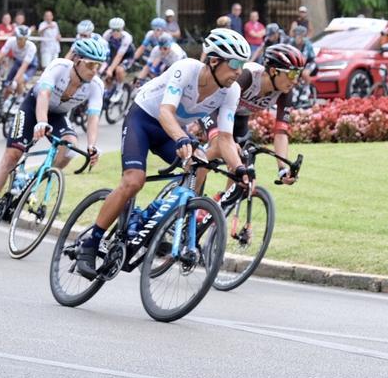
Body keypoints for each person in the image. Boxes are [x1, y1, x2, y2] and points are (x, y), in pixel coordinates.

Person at [73, 28, 254, 279]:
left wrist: (240, 170)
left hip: (172, 129)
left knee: (200, 163)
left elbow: (225, 138)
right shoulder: (187, 69)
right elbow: (165, 112)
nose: (239, 71)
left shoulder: (231, 91)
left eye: (242, 65)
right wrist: (181, 137)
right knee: (133, 180)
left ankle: (164, 225)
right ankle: (90, 244)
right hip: (144, 120)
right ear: (214, 61)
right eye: (234, 63)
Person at [0, 37, 106, 234]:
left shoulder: (96, 84)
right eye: (90, 64)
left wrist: (92, 145)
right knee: (12, 156)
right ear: (77, 60)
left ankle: (35, 180)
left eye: (98, 65)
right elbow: (43, 95)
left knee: (70, 147)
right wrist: (41, 121)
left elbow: (93, 117)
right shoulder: (58, 67)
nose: (94, 70)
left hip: (58, 115)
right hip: (32, 106)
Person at [0, 24, 38, 97]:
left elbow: (24, 66)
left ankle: (20, 100)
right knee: (7, 85)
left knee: (19, 81)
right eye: (20, 39)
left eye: (25, 39)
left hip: (30, 66)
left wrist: (15, 81)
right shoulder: (11, 41)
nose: (22, 42)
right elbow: (0, 56)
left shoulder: (31, 47)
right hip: (18, 63)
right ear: (16, 37)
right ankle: (4, 104)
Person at [101, 17, 134, 88]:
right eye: (113, 30)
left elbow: (120, 55)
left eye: (118, 30)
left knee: (119, 70)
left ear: (122, 29)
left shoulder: (127, 37)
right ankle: (108, 90)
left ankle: (119, 88)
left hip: (126, 56)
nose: (115, 32)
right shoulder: (107, 35)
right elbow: (103, 51)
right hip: (113, 55)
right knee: (106, 74)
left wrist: (110, 69)